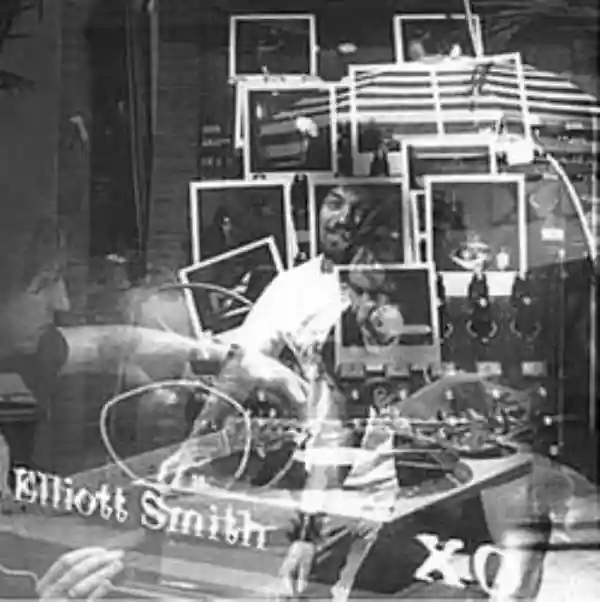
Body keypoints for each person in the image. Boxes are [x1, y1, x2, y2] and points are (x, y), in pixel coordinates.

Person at [33, 186, 558, 599]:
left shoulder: (433, 307)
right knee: (304, 588)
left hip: (426, 504)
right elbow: (282, 395)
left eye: (361, 212)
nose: (344, 219)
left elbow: (508, 464)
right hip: (340, 496)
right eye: (335, 203)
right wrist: (200, 448)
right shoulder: (310, 306)